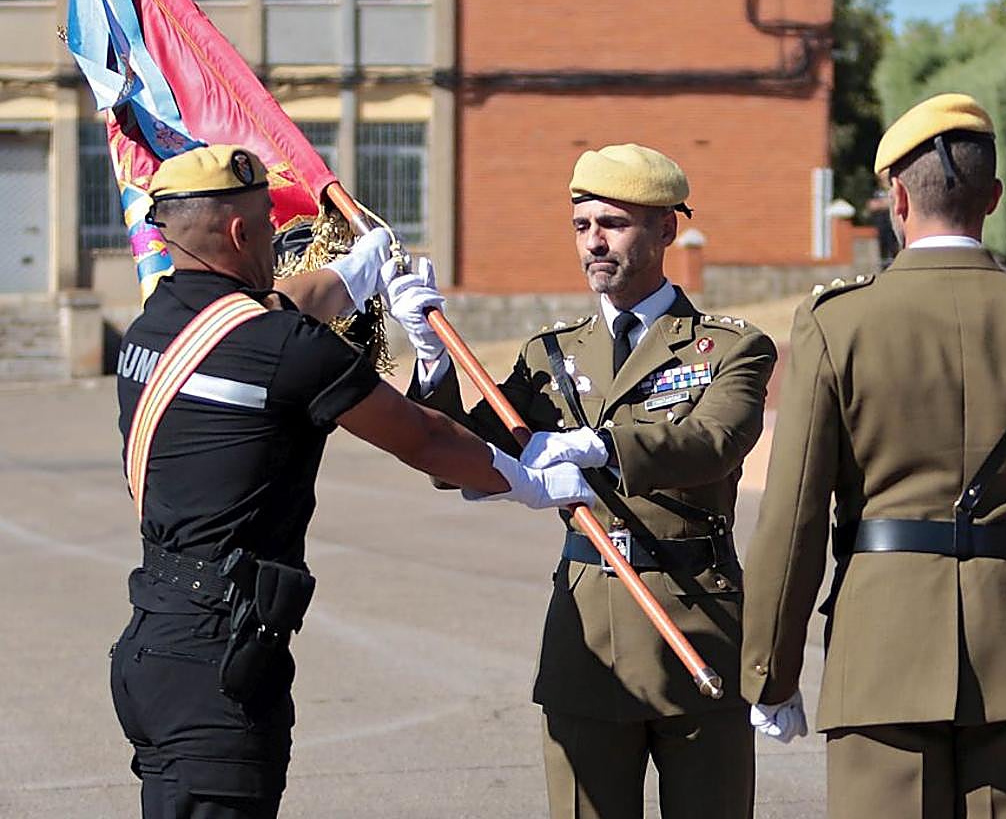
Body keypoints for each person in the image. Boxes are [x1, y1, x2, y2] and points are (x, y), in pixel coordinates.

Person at [109, 144, 592, 819]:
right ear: (242, 232)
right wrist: (528, 478)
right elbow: (421, 438)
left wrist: (357, 272)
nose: (279, 239)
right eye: (268, 226)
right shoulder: (279, 347)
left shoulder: (157, 323)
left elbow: (274, 308)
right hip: (221, 662)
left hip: (155, 644)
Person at [740, 93, 1006, 818]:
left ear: (897, 197)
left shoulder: (838, 323)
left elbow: (792, 517)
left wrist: (770, 668)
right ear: (994, 198)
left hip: (880, 654)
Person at [391, 143, 777, 818]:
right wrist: (432, 368)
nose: (594, 242)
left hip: (695, 613)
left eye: (614, 224)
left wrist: (600, 445)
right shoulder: (551, 355)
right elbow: (458, 458)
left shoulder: (730, 346)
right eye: (582, 226)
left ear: (665, 229)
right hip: (587, 631)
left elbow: (712, 443)